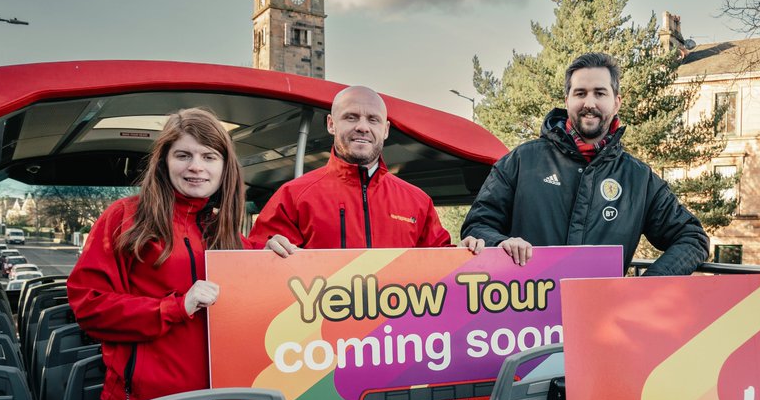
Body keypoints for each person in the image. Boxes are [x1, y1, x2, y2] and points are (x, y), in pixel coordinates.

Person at [68, 108, 271, 400]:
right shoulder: (124, 217)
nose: (196, 166)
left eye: (209, 156)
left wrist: (276, 255)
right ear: (163, 162)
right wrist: (175, 308)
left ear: (224, 168)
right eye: (183, 155)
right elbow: (89, 307)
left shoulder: (225, 229)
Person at [461, 52, 709, 275]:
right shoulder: (522, 161)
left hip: (600, 320)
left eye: (600, 93)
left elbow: (693, 238)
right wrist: (499, 243)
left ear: (616, 102)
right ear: (567, 100)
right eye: (580, 93)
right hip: (527, 318)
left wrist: (646, 286)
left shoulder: (639, 179)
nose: (589, 103)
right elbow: (477, 225)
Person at [250, 85, 479, 252]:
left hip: (396, 320)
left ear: (386, 129)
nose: (362, 127)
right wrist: (265, 254)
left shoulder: (418, 202)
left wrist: (468, 254)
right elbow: (255, 264)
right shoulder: (292, 197)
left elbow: (443, 269)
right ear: (331, 124)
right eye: (351, 117)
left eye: (373, 119)